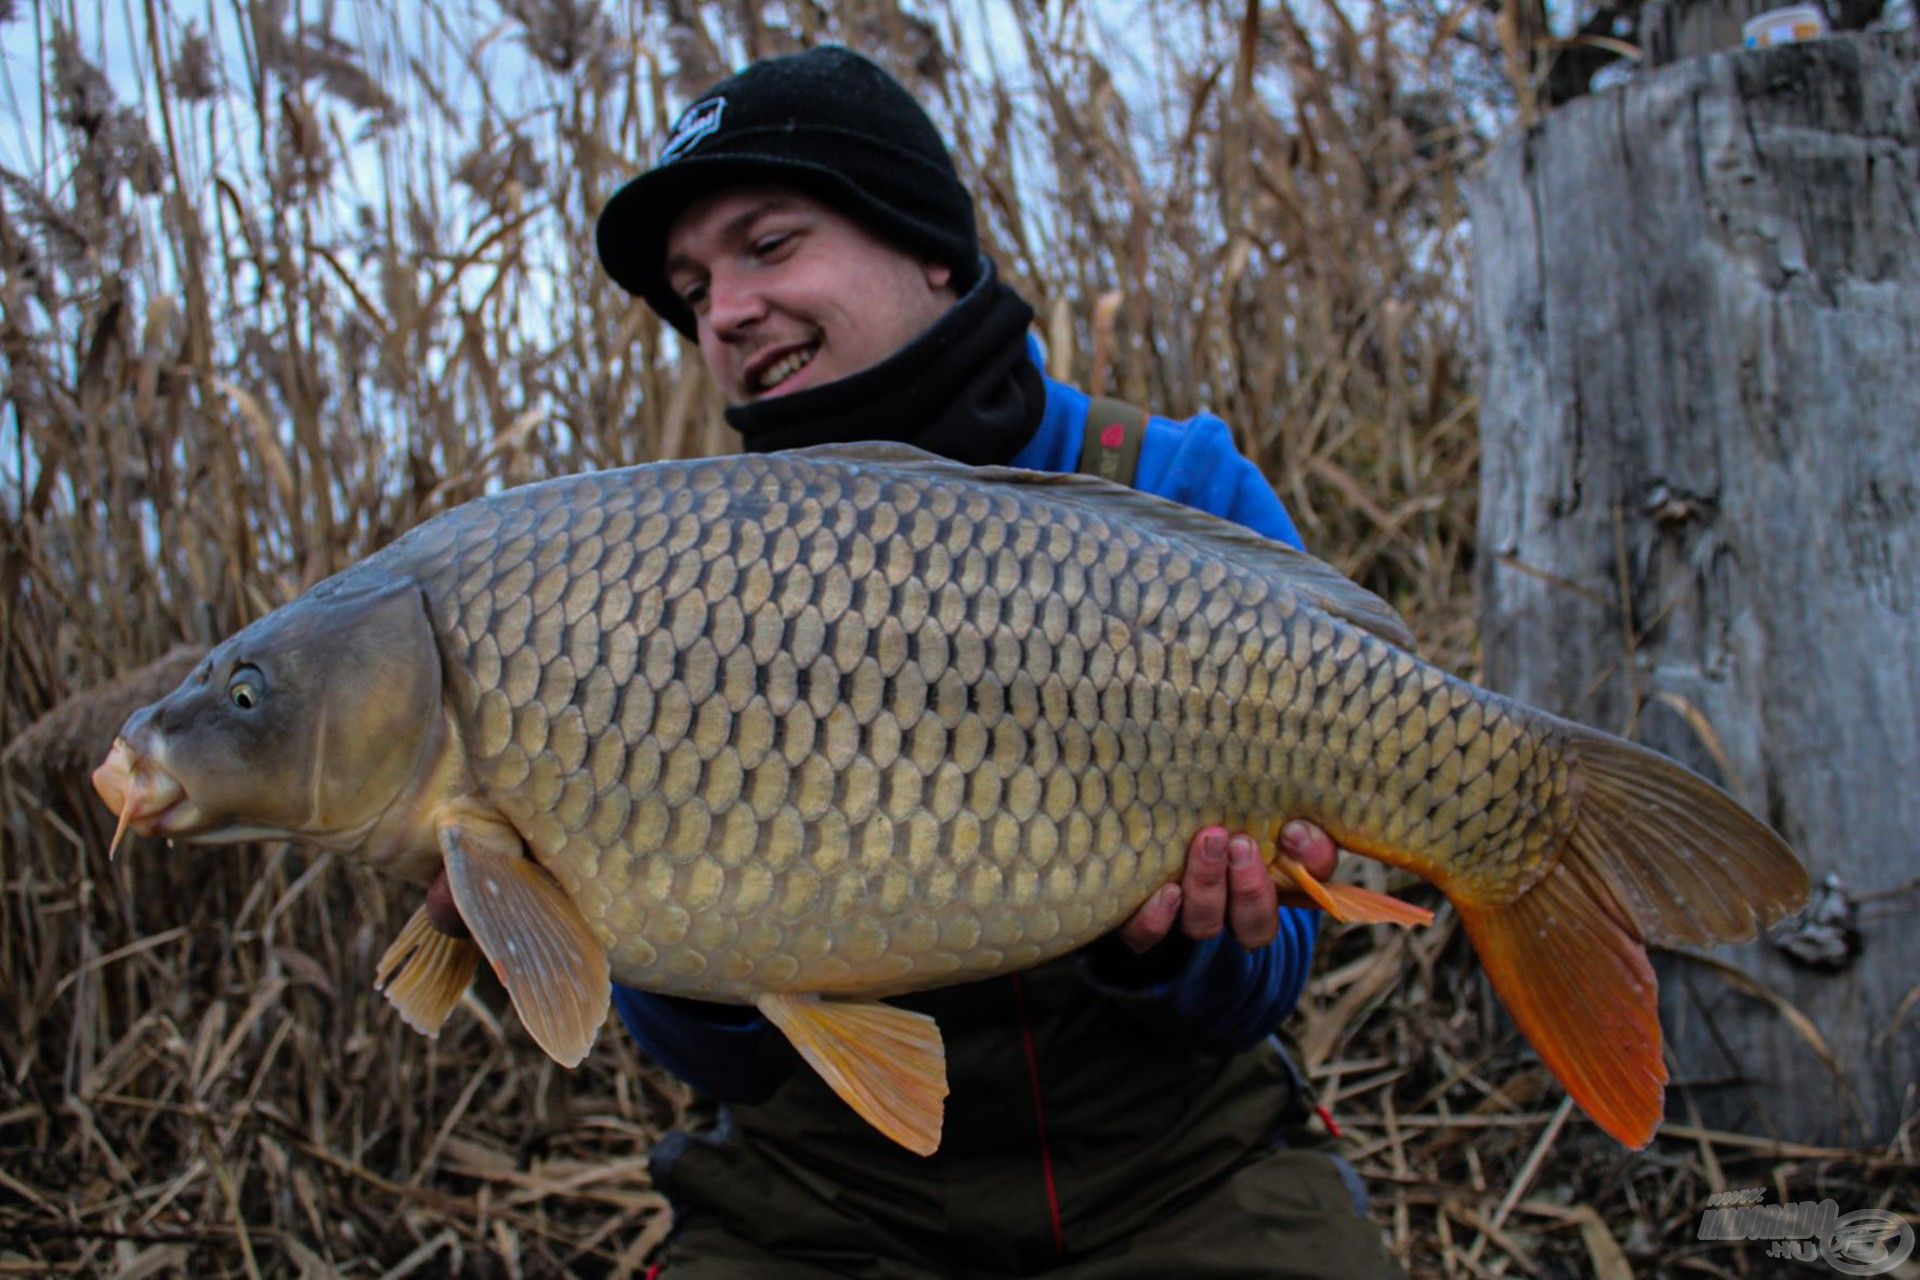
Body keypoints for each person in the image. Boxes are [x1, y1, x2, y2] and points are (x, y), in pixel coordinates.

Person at [592, 45, 1405, 1280]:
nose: (726, 311)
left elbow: (1264, 986)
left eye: (767, 246)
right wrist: (668, 934)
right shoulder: (669, 584)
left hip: (1178, 1168)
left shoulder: (1172, 485)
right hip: (824, 1198)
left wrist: (1171, 940)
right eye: (692, 290)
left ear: (928, 243)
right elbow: (723, 1062)